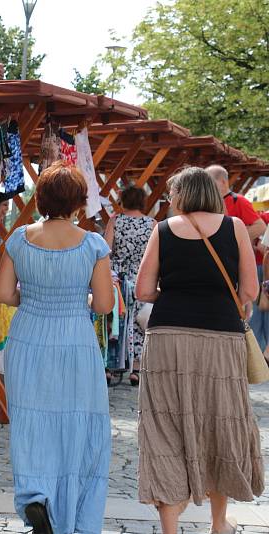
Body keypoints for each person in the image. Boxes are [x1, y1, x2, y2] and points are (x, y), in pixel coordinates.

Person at [135, 167, 263, 534]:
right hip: (220, 338)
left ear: (180, 195)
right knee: (219, 423)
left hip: (167, 337)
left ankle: (170, 529)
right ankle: (218, 524)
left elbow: (143, 291)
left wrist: (173, 295)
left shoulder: (161, 230)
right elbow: (250, 290)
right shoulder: (235, 228)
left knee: (164, 427)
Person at [0, 161, 114, 534]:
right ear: (79, 202)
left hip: (29, 336)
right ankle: (74, 512)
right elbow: (105, 304)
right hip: (75, 340)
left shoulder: (19, 238)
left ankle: (35, 496)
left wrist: (30, 299)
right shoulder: (93, 245)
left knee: (31, 421)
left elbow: (2, 293)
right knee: (79, 423)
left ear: (40, 198)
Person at [208, 164, 268, 350]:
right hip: (223, 264)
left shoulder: (238, 201)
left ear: (223, 181)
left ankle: (255, 349)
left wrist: (231, 240)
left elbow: (260, 227)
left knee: (252, 310)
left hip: (242, 265)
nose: (207, 185)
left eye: (211, 181)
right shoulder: (210, 202)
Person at [103, 186, 156, 386]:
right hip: (142, 277)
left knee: (115, 319)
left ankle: (109, 367)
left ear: (123, 200)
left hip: (117, 277)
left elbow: (106, 248)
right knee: (138, 323)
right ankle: (135, 369)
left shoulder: (116, 221)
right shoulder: (151, 224)